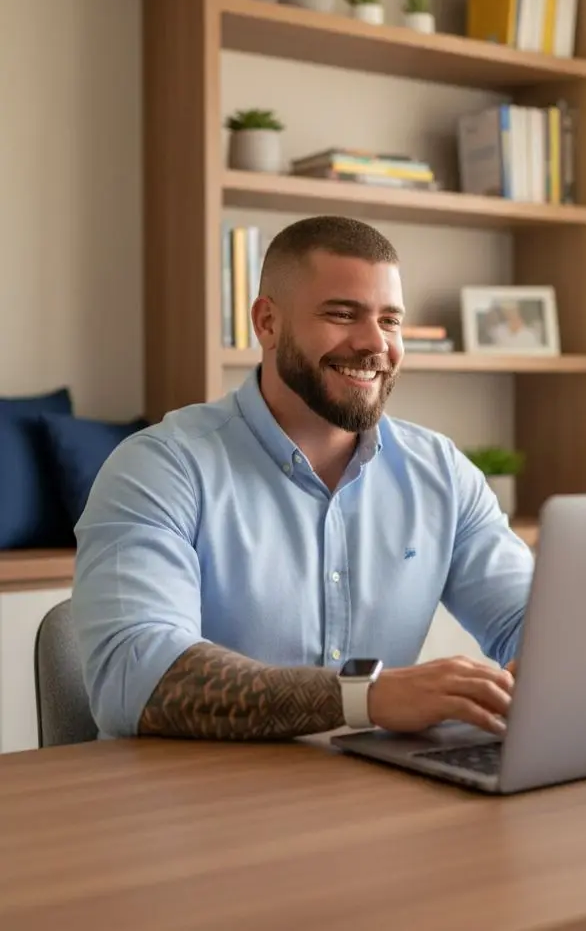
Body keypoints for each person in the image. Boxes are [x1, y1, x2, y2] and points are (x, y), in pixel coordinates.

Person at [71, 216, 535, 743]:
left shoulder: (441, 474)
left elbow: (533, 622)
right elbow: (134, 678)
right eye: (342, 314)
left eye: (390, 320)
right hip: (194, 808)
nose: (373, 344)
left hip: (377, 795)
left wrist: (557, 665)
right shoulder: (160, 467)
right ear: (267, 322)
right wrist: (367, 696)